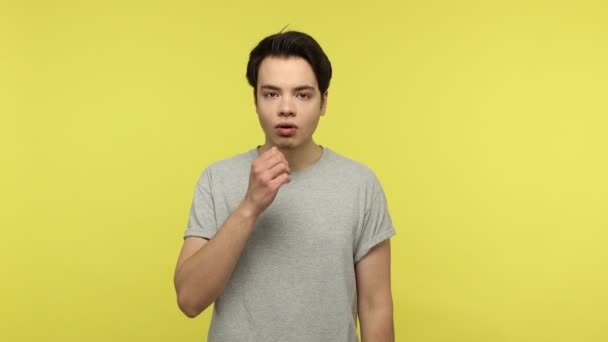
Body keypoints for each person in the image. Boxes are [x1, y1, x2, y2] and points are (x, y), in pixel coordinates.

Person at [174, 30, 396, 342]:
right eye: (271, 94)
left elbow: (375, 307)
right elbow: (189, 299)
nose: (286, 108)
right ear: (255, 101)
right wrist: (249, 206)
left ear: (324, 102)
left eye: (303, 94)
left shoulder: (360, 184)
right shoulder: (217, 179)